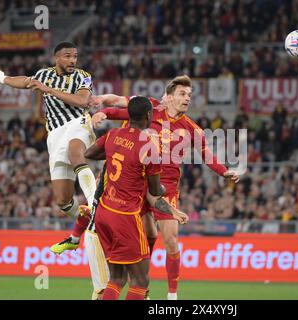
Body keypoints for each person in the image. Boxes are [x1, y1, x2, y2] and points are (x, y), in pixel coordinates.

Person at [73, 75, 240, 300]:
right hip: (140, 185)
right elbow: (123, 109)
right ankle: (140, 283)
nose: (187, 98)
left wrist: (223, 171)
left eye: (190, 95)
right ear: (169, 97)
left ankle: (172, 295)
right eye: (182, 94)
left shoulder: (192, 128)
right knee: (148, 234)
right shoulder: (151, 109)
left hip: (166, 188)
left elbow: (206, 154)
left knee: (171, 241)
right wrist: (104, 111)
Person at [0, 42, 103, 298]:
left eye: (75, 55)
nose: (72, 60)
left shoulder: (82, 76)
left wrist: (48, 90)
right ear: (56, 58)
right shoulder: (43, 74)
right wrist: (4, 78)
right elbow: (27, 82)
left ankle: (93, 201)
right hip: (54, 135)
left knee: (77, 151)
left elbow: (81, 101)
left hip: (77, 124)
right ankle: (84, 217)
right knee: (63, 201)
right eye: (67, 56)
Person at [84, 96, 188, 300]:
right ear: (149, 115)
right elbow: (156, 191)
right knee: (140, 281)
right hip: (125, 217)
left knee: (116, 279)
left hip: (104, 213)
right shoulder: (149, 148)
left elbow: (89, 153)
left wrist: (112, 156)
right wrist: (168, 189)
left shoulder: (113, 134)